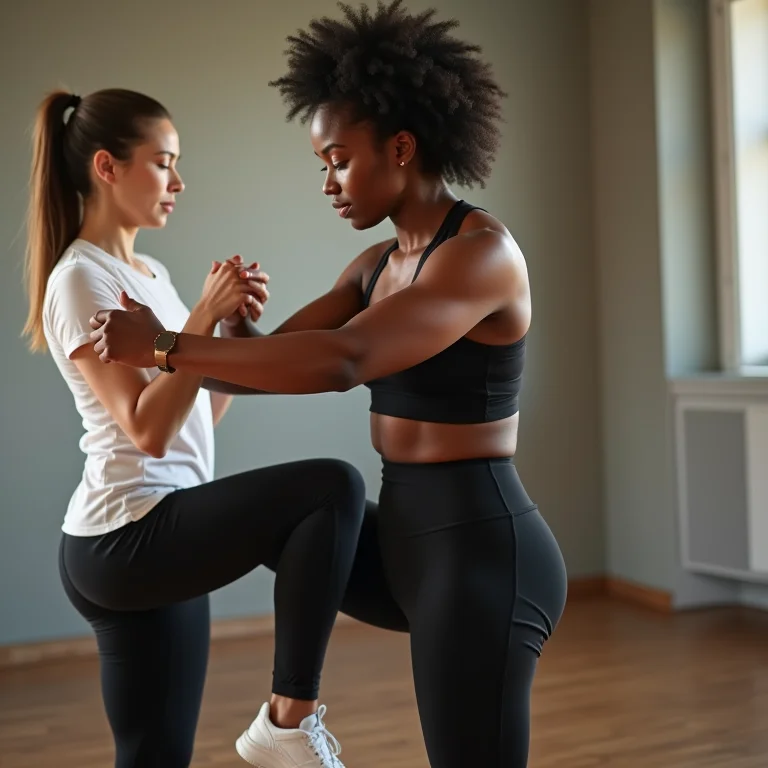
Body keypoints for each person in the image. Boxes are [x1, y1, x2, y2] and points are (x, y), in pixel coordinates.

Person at [89, 2, 570, 766]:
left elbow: (344, 360)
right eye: (323, 166)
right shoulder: (376, 265)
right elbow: (278, 364)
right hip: (406, 538)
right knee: (303, 511)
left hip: (482, 548)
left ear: (402, 147)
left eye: (338, 159)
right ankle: (287, 723)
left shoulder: (481, 255)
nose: (329, 182)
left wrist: (167, 345)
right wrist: (234, 330)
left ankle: (286, 722)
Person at [23, 87, 367, 768]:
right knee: (331, 489)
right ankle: (287, 723)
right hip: (126, 534)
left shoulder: (147, 272)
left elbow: (195, 415)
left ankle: (283, 725)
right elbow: (145, 431)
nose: (178, 182)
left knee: (156, 754)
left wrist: (230, 330)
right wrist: (200, 323)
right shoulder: (79, 281)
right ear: (107, 167)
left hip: (160, 524)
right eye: (163, 163)